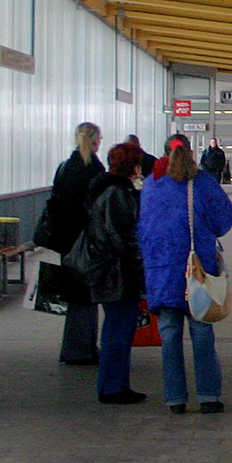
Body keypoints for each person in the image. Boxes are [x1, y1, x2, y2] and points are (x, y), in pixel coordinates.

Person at [138, 136, 232, 415]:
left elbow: (143, 228)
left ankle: (175, 400)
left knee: (169, 337)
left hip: (161, 273)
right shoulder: (202, 182)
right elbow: (223, 220)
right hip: (197, 272)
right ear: (192, 154)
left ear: (163, 153)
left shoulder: (151, 184)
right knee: (202, 333)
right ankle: (208, 397)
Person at [72, 142, 147, 405]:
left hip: (110, 272)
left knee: (117, 329)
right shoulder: (118, 194)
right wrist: (140, 266)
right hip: (117, 274)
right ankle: (113, 387)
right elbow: (122, 238)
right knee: (118, 331)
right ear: (134, 166)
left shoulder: (106, 189)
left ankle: (116, 384)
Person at [52, 122, 105, 365]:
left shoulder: (65, 168)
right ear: (96, 141)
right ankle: (82, 349)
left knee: (75, 297)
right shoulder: (94, 169)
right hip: (87, 241)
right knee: (86, 296)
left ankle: (75, 346)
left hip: (66, 241)